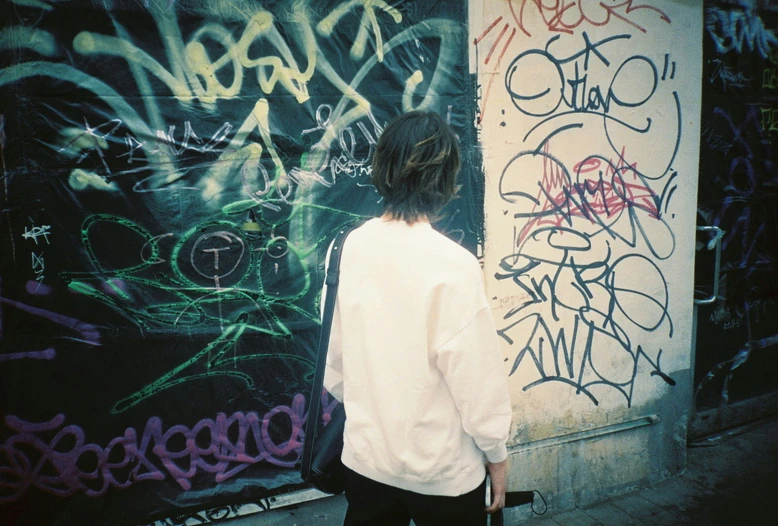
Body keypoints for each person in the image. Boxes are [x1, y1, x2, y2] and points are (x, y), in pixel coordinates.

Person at [323, 110, 512, 526]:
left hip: (366, 461)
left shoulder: (347, 248)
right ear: (446, 178)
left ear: (383, 167)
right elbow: (477, 384)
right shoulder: (454, 265)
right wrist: (496, 455)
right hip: (442, 474)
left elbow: (333, 366)